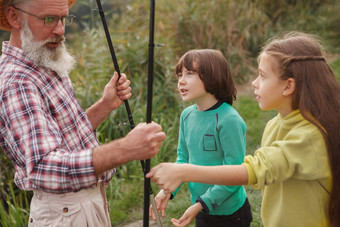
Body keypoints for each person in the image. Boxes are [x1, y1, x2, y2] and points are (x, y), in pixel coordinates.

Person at [147, 32, 340, 227]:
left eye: (262, 76)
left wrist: (184, 172)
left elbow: (253, 171)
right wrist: (174, 183)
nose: (254, 83)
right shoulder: (274, 124)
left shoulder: (310, 137)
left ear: (288, 85)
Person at [0, 0, 166, 226]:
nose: (60, 30)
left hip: (80, 206)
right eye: (49, 19)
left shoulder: (43, 59)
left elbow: (65, 137)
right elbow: (44, 167)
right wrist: (125, 149)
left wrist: (104, 105)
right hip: (64, 212)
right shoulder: (18, 81)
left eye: (63, 19)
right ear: (14, 17)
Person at [149, 49, 252, 227]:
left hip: (231, 214)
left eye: (190, 74)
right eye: (180, 74)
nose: (181, 80)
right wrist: (166, 191)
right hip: (203, 208)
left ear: (212, 76)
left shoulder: (229, 120)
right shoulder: (187, 116)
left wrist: (199, 204)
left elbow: (235, 175)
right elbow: (183, 158)